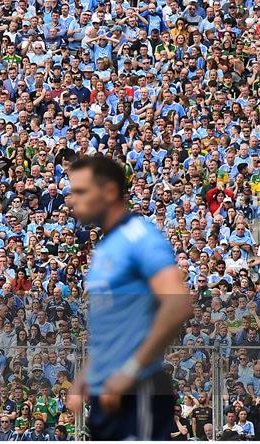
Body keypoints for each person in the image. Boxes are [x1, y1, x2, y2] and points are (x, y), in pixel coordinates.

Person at [67, 156, 192, 440]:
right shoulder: (105, 248)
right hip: (107, 392)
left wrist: (130, 371)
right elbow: (109, 328)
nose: (73, 200)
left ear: (110, 192)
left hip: (138, 390)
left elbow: (177, 303)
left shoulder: (140, 236)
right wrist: (85, 376)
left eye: (81, 191)